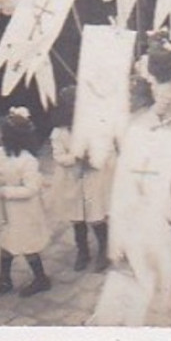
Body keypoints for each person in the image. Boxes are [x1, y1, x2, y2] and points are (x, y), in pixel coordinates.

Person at [0, 109, 52, 298]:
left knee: (27, 244)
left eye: (0, 133)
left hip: (23, 211)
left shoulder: (28, 161)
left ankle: (41, 279)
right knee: (5, 241)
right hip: (3, 209)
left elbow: (31, 189)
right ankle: (4, 279)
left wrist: (7, 191)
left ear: (11, 137)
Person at [48, 87, 113, 274]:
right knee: (77, 217)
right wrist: (75, 158)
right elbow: (58, 156)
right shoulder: (59, 133)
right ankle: (82, 251)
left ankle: (104, 249)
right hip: (72, 179)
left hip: (93, 176)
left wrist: (93, 157)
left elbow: (106, 149)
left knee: (96, 215)